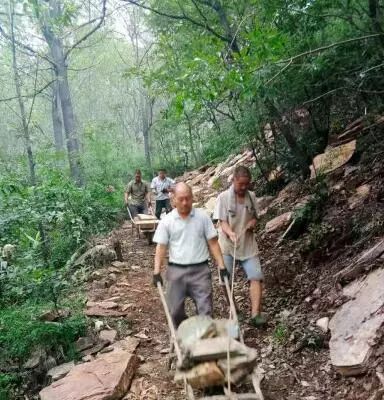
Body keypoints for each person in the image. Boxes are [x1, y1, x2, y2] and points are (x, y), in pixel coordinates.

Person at [152, 182, 229, 328]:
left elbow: (213, 243)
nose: (185, 202)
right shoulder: (167, 221)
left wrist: (222, 266)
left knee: (205, 310)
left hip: (200, 270)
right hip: (176, 271)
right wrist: (156, 271)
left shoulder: (202, 217)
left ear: (192, 197)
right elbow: (161, 247)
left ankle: (204, 342)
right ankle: (184, 332)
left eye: (188, 198)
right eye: (181, 199)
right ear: (173, 200)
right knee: (174, 311)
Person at [214, 165, 265, 327]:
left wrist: (252, 222)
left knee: (256, 276)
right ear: (234, 180)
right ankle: (234, 309)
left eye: (246, 184)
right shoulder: (222, 198)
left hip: (247, 243)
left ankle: (255, 314)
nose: (243, 187)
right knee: (225, 280)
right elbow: (222, 222)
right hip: (228, 245)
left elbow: (256, 217)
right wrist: (230, 233)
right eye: (240, 184)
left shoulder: (252, 196)